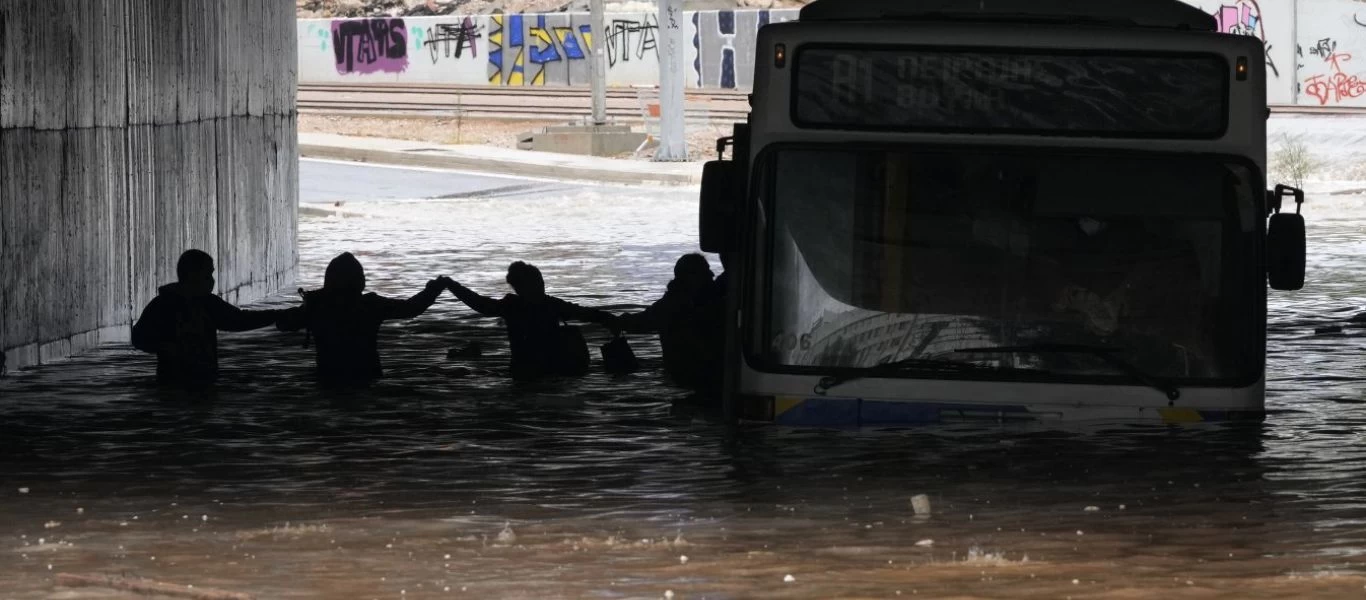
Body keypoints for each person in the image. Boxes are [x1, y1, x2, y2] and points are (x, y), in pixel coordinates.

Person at [276, 252, 448, 387]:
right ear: (361, 282)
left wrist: (307, 307)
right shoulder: (370, 305)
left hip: (328, 380)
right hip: (367, 378)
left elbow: (284, 324)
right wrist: (433, 290)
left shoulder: (317, 305)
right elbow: (411, 308)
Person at [131, 249, 282, 387]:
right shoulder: (206, 303)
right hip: (202, 382)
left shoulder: (161, 303)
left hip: (169, 383)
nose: (212, 280)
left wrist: (163, 346)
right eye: (207, 274)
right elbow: (239, 320)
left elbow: (138, 338)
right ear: (192, 275)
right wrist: (279, 315)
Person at [446, 261, 618, 381]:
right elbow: (587, 314)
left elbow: (479, 304)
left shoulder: (512, 306)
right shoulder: (551, 305)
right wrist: (612, 321)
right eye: (538, 282)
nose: (542, 285)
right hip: (555, 369)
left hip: (524, 371)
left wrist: (451, 286)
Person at [616, 254, 720, 390]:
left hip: (681, 378)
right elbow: (639, 322)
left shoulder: (670, 304)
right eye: (705, 270)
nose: (711, 274)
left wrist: (617, 321)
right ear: (690, 277)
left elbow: (639, 322)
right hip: (693, 377)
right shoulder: (675, 305)